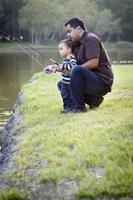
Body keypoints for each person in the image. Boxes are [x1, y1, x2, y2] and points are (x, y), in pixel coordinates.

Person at [62, 18, 114, 112]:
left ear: (78, 29)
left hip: (102, 82)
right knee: (62, 84)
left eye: (69, 31)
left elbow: (93, 63)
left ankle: (80, 108)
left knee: (76, 70)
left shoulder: (91, 39)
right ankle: (94, 100)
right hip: (91, 80)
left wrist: (73, 71)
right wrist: (56, 68)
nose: (68, 35)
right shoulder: (77, 43)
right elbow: (72, 63)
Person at [44, 39, 77, 113]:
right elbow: (64, 69)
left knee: (69, 96)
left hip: (71, 83)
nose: (59, 51)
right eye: (59, 49)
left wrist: (62, 66)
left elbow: (73, 67)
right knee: (65, 96)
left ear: (69, 49)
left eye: (61, 49)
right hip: (65, 82)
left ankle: (71, 108)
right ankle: (66, 108)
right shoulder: (65, 59)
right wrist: (53, 69)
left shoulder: (72, 58)